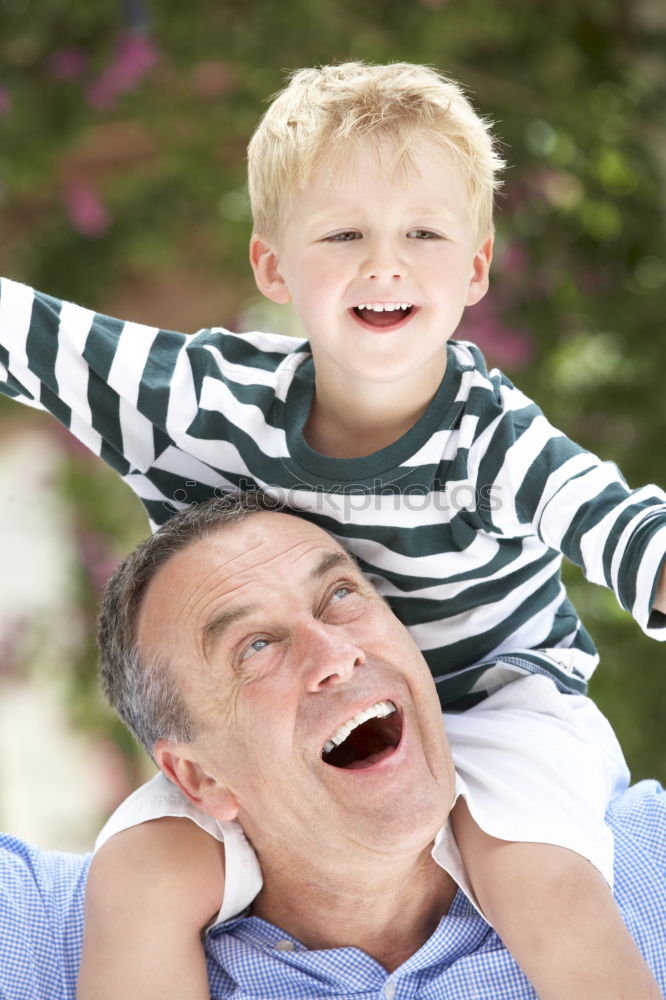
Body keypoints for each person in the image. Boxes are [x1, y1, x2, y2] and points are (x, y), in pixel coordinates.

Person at [0, 61, 665, 999]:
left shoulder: (487, 434)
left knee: (536, 876)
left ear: (476, 265)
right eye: (344, 232)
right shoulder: (206, 403)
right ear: (272, 264)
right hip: (288, 749)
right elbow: (40, 344)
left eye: (423, 233)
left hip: (508, 708)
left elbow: (611, 522)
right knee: (138, 874)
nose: (383, 262)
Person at [3, 497, 664, 1000]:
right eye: (256, 647)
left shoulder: (643, 872)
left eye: (340, 595)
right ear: (198, 778)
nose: (337, 654)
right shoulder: (51, 935)